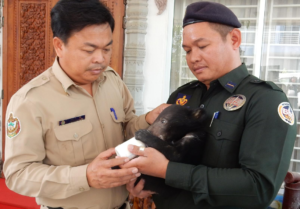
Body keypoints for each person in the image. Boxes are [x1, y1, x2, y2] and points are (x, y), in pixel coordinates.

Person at [125, 1, 297, 208]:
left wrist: (166, 170)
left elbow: (259, 188)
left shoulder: (264, 100)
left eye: (202, 46)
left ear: (234, 39)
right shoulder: (182, 96)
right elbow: (159, 155)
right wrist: (143, 183)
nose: (193, 58)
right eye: (187, 50)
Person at [3, 0, 168, 209]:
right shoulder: (30, 101)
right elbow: (18, 175)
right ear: (59, 46)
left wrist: (148, 120)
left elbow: (126, 129)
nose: (100, 59)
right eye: (89, 50)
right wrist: (85, 177)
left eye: (107, 49)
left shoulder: (112, 81)